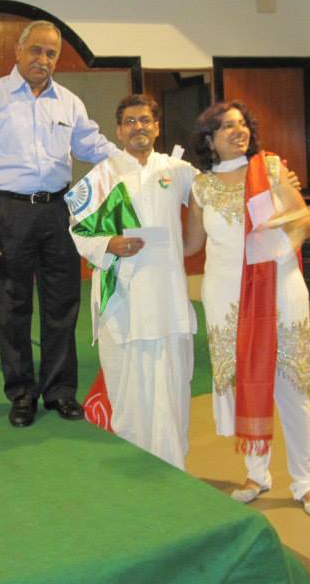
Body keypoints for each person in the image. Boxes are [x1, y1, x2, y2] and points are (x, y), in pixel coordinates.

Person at [0, 20, 118, 427]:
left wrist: (137, 161)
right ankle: (21, 394)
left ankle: (60, 391)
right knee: (11, 306)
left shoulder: (69, 103)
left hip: (57, 210)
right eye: (35, 50)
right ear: (18, 51)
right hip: (8, 212)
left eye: (51, 53)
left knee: (62, 303)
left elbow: (91, 145)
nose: (42, 60)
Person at [184, 100, 310, 519]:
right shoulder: (200, 187)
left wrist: (283, 236)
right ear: (209, 140)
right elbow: (191, 245)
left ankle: (305, 481)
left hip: (277, 289)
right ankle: (256, 474)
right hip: (226, 296)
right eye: (226, 126)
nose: (238, 131)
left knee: (291, 383)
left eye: (242, 124)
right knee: (242, 382)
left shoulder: (269, 169)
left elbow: (305, 222)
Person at [67, 94, 197, 469]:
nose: (138, 127)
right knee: (128, 388)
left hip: (168, 300)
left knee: (172, 385)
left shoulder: (177, 169)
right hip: (122, 300)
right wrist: (109, 243)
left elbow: (216, 195)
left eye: (145, 120)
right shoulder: (103, 174)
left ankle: (173, 463)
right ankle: (134, 459)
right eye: (130, 121)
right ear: (119, 130)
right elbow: (77, 229)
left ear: (157, 127)